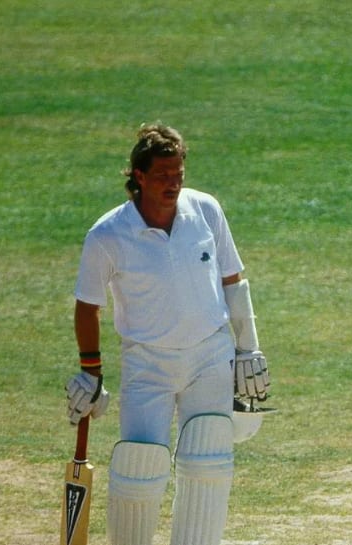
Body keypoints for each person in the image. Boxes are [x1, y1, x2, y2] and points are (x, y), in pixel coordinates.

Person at [65, 124, 271, 545]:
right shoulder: (107, 235)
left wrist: (248, 345)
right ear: (138, 176)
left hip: (210, 356)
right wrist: (91, 372)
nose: (173, 184)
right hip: (148, 363)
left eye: (178, 175)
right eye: (162, 176)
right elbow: (88, 306)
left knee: (208, 462)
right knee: (138, 470)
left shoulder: (206, 210)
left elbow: (233, 279)